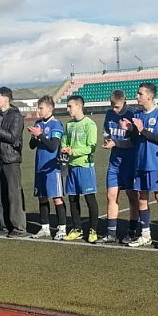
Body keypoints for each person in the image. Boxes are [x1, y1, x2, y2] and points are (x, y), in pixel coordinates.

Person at [127, 82, 158, 249]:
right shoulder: (137, 114)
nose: (137, 96)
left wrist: (142, 130)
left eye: (140, 94)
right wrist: (130, 129)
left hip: (156, 164)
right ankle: (145, 235)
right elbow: (134, 140)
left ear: (149, 96)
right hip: (140, 163)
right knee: (142, 198)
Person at [0, 87, 28, 237]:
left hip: (10, 159)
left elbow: (13, 137)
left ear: (6, 98)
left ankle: (18, 227)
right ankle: (4, 226)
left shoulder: (16, 116)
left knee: (13, 195)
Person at [100, 89, 139, 243]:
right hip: (114, 162)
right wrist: (107, 139)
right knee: (111, 196)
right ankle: (111, 233)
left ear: (124, 102)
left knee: (132, 196)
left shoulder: (133, 114)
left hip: (130, 162)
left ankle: (132, 231)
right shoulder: (109, 114)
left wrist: (116, 143)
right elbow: (106, 132)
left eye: (116, 106)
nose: (114, 109)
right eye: (112, 106)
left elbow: (135, 141)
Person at [60, 95, 99, 243]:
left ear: (79, 106)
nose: (67, 109)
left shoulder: (89, 124)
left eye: (70, 106)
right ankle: (77, 229)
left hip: (84, 166)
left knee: (90, 198)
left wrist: (74, 151)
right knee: (72, 198)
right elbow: (64, 141)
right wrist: (64, 148)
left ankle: (93, 230)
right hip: (72, 166)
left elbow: (91, 147)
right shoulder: (69, 125)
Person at [29, 95, 67, 239]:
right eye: (38, 108)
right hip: (40, 166)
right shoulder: (38, 123)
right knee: (42, 198)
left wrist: (40, 135)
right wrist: (35, 136)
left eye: (41, 108)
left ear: (50, 109)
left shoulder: (56, 124)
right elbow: (31, 146)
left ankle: (62, 228)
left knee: (56, 198)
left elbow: (53, 146)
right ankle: (45, 228)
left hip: (52, 168)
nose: (38, 111)